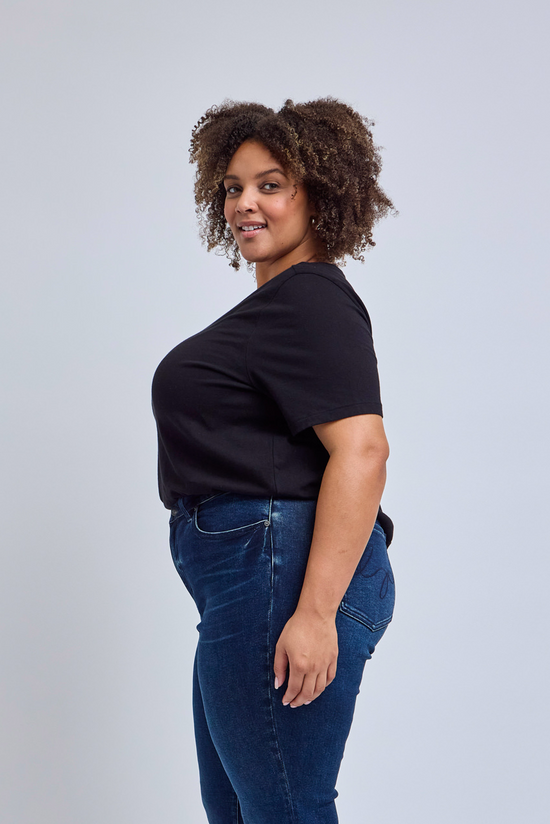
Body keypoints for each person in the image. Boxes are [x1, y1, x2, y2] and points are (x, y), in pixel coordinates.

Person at [152, 98, 396, 824]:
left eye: (271, 183)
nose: (244, 203)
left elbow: (363, 449)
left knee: (282, 809)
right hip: (247, 580)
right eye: (232, 186)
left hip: (282, 574)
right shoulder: (278, 307)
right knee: (242, 810)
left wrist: (315, 613)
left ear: (317, 192)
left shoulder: (311, 300)